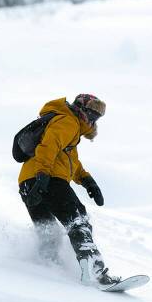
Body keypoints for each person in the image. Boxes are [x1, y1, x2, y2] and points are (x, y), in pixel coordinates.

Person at [18, 94, 120, 287]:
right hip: (48, 180)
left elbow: (70, 162)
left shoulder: (66, 126)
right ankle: (95, 272)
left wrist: (88, 181)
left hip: (28, 182)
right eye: (90, 114)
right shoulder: (68, 121)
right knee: (78, 219)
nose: (92, 120)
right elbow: (48, 147)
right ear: (81, 109)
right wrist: (42, 178)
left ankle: (47, 268)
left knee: (49, 232)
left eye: (97, 118)